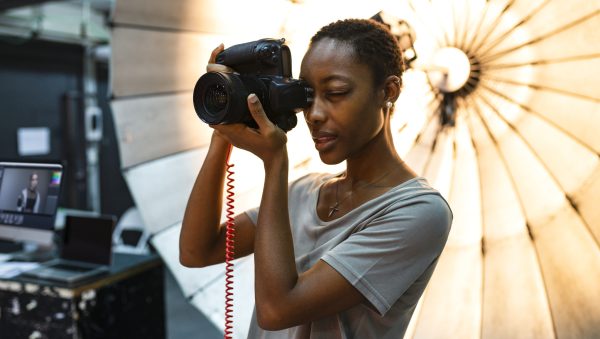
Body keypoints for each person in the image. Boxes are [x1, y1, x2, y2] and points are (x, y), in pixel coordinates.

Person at [180, 18, 452, 338]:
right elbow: (197, 251)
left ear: (388, 91)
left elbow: (277, 310)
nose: (315, 114)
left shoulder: (418, 212)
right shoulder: (303, 192)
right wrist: (224, 129)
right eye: (307, 96)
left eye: (335, 93)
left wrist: (274, 163)